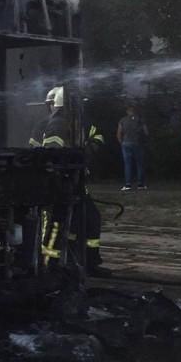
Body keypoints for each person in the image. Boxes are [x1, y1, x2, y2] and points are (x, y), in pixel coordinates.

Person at [30, 86, 106, 277]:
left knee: (91, 219)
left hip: (76, 182)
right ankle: (50, 264)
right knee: (58, 224)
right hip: (56, 184)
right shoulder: (50, 125)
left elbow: (98, 138)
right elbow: (49, 153)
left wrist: (88, 151)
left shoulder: (80, 123)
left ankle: (90, 262)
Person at [115, 104, 148, 191]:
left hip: (126, 143)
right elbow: (146, 132)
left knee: (127, 164)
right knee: (139, 164)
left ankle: (128, 184)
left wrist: (121, 142)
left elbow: (119, 133)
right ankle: (140, 184)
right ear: (135, 111)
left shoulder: (122, 120)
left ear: (127, 112)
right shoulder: (140, 119)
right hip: (138, 143)